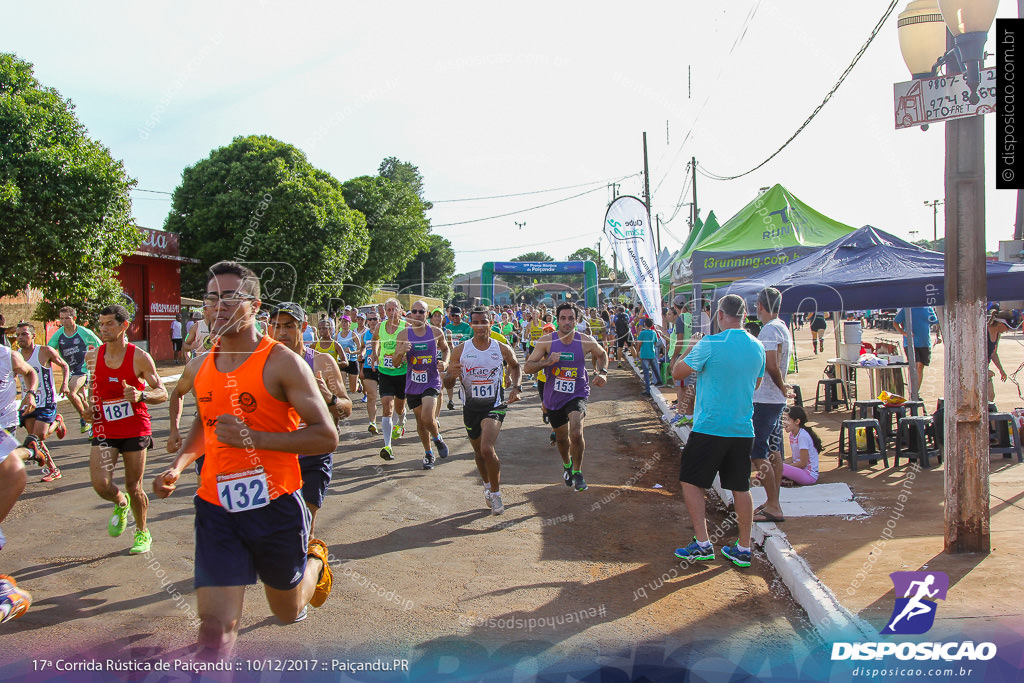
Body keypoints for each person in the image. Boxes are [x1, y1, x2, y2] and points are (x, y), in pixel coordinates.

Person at [151, 261, 336, 658]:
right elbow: (205, 424)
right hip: (216, 507)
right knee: (215, 628)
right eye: (211, 298)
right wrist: (178, 465)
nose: (218, 305)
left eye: (230, 297)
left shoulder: (283, 362)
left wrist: (256, 439)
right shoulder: (200, 366)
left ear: (254, 305)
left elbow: (326, 435)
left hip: (276, 506)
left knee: (286, 611)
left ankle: (315, 561)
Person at [671, 294, 765, 568]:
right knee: (740, 486)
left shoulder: (709, 344)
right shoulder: (757, 346)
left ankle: (702, 543)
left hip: (710, 427)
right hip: (741, 427)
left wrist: (690, 347)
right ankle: (744, 547)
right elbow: (756, 384)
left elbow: (677, 373)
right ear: (744, 316)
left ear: (720, 315)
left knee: (691, 480)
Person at [85, 305, 167, 554]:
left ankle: (142, 532)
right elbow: (93, 389)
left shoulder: (139, 357)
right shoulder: (93, 356)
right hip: (104, 428)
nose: (103, 329)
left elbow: (162, 393)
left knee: (134, 485)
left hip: (135, 428)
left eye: (109, 323)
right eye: (101, 324)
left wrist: (140, 395)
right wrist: (90, 408)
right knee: (101, 484)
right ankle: (120, 503)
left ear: (124, 325)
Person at [269, 303, 351, 534]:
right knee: (274, 529)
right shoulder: (262, 363)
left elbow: (346, 409)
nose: (281, 332)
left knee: (303, 526)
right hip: (275, 455)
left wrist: (330, 398)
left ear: (304, 327)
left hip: (312, 456)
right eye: (275, 326)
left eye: (289, 326)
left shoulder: (322, 362)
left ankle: (308, 563)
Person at [524, 303, 609, 491]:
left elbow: (602, 354)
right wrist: (548, 361)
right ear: (557, 320)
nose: (567, 322)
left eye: (571, 318)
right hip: (554, 396)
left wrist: (602, 372)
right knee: (562, 439)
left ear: (577, 320)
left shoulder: (585, 340)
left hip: (577, 393)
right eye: (563, 318)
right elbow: (528, 367)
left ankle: (578, 472)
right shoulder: (546, 341)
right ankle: (567, 465)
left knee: (576, 433)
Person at [446, 306, 522, 514]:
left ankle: (496, 495)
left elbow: (515, 366)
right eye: (476, 322)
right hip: (470, 407)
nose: (480, 326)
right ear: (471, 324)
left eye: (484, 322)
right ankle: (487, 487)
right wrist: (450, 375)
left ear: (491, 322)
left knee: (487, 449)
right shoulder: (460, 350)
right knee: (478, 452)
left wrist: (516, 387)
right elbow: (447, 384)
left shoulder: (501, 348)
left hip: (494, 405)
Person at [750, 288, 792, 525]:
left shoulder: (769, 329)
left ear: (761, 306)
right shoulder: (781, 326)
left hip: (767, 398)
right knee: (773, 450)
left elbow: (771, 364)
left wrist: (781, 386)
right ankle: (773, 500)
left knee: (758, 452)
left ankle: (774, 505)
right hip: (774, 399)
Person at [394, 300, 451, 469]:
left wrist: (445, 363)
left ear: (427, 315)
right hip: (412, 383)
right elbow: (396, 363)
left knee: (427, 417)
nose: (417, 314)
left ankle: (437, 438)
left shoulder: (435, 332)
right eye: (414, 311)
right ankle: (428, 453)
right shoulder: (403, 335)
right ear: (410, 314)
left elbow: (446, 349)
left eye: (421, 311)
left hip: (431, 380)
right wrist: (401, 351)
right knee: (420, 422)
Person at [15, 323, 70, 482]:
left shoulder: (45, 351)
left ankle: (58, 422)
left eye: (24, 334)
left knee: (41, 436)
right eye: (18, 335)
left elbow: (64, 365)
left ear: (33, 335)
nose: (20, 338)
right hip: (28, 404)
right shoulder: (16, 356)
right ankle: (53, 469)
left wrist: (65, 383)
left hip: (46, 401)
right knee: (34, 440)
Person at [47, 306, 102, 434]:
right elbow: (48, 349)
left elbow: (100, 345)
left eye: (67, 318)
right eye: (61, 319)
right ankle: (95, 421)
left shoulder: (83, 332)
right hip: (68, 371)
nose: (64, 321)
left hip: (82, 368)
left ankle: (84, 419)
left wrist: (95, 362)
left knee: (71, 391)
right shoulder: (59, 334)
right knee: (81, 397)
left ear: (75, 318)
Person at [372, 298, 409, 460]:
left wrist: (408, 355)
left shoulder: (406, 327)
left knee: (399, 408)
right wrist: (374, 353)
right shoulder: (380, 326)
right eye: (389, 310)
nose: (392, 313)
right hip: (385, 371)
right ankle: (387, 445)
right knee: (387, 405)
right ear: (385, 311)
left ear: (400, 311)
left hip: (402, 372)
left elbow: (416, 342)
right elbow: (374, 339)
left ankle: (401, 421)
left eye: (395, 309)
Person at [893, 306, 938, 396]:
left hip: (925, 343)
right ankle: (912, 391)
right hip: (910, 343)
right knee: (914, 365)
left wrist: (938, 336)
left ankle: (915, 392)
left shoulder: (928, 309)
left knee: (920, 366)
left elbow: (936, 323)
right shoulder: (907, 309)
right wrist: (904, 333)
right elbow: (895, 322)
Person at [781, 406, 820, 486]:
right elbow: (795, 458)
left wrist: (782, 467)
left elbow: (803, 463)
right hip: (800, 471)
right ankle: (785, 479)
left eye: (787, 419)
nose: (784, 422)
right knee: (771, 468)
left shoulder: (802, 436)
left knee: (774, 469)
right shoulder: (792, 435)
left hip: (809, 475)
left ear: (797, 421)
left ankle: (783, 478)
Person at [444, 306, 474, 410]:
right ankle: (451, 400)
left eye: (457, 315)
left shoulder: (467, 327)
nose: (455, 317)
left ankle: (465, 397)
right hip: (451, 357)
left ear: (461, 315)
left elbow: (469, 339)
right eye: (453, 315)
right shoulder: (448, 328)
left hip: (464, 356)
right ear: (450, 317)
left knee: (463, 379)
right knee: (450, 377)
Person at [360, 311, 381, 432]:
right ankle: (372, 422)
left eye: (375, 319)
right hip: (369, 367)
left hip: (383, 368)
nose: (372, 321)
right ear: (367, 321)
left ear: (379, 320)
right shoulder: (365, 334)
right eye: (370, 319)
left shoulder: (383, 333)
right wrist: (362, 355)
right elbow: (362, 347)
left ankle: (392, 421)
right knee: (372, 396)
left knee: (386, 398)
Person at [637, 318, 661, 396]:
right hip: (652, 353)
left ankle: (648, 390)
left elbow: (639, 343)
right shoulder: (654, 332)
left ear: (645, 324)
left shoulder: (642, 333)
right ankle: (659, 381)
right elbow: (655, 342)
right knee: (654, 368)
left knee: (646, 372)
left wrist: (638, 351)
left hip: (644, 353)